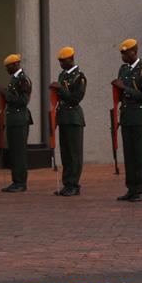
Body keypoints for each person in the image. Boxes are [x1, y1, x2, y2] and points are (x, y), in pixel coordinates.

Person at [112, 39, 142, 202]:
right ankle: (131, 188)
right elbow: (121, 94)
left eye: (125, 53)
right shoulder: (123, 69)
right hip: (127, 117)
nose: (122, 56)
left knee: (140, 155)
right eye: (121, 53)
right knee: (129, 155)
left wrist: (124, 88)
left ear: (134, 52)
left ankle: (141, 190)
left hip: (140, 117)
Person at [50, 47, 86, 196]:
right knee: (65, 153)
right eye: (59, 61)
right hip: (64, 117)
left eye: (63, 61)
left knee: (74, 153)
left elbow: (75, 99)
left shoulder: (79, 77)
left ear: (71, 59)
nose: (61, 64)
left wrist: (61, 89)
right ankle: (67, 184)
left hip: (73, 118)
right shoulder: (62, 75)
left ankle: (74, 184)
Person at [0, 53, 33, 193]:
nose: (7, 70)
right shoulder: (14, 79)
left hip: (20, 119)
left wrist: (6, 94)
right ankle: (16, 180)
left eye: (8, 67)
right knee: (14, 152)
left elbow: (23, 101)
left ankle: (20, 182)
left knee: (19, 152)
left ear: (15, 65)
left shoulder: (23, 80)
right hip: (13, 119)